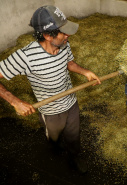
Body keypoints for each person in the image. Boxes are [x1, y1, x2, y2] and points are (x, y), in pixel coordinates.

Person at [0, 5, 101, 174]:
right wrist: (15, 101)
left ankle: (74, 157)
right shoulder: (25, 57)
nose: (67, 35)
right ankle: (54, 148)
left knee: (74, 135)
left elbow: (69, 63)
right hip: (50, 110)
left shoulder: (63, 43)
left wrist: (85, 72)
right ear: (47, 35)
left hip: (71, 103)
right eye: (63, 32)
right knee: (54, 138)